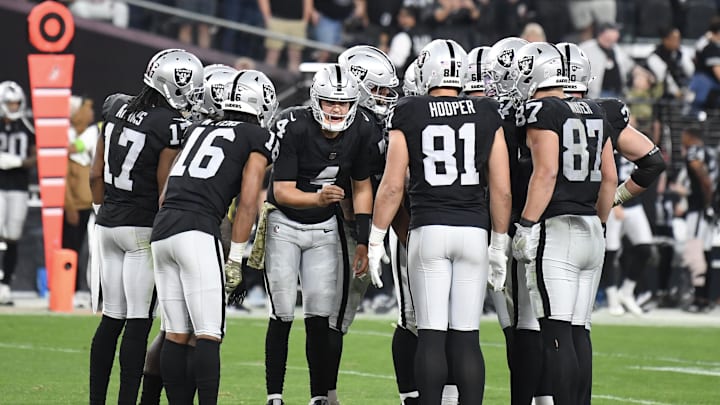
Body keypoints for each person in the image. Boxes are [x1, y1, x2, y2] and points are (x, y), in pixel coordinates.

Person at [368, 38, 512, 405]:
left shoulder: (409, 111)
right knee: (466, 337)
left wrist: (375, 237)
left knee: (431, 334)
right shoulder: (486, 111)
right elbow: (502, 189)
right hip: (473, 231)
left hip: (428, 229)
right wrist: (498, 243)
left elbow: (391, 185)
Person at [150, 69, 278, 405]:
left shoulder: (198, 128)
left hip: (163, 229)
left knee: (176, 333)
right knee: (208, 333)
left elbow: (165, 194)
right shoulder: (256, 136)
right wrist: (236, 257)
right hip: (197, 231)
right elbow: (249, 200)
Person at [88, 48, 203, 405]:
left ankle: (96, 401)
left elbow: (95, 173)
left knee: (111, 320)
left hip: (106, 223)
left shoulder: (115, 107)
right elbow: (164, 189)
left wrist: (102, 210)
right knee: (137, 326)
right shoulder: (170, 125)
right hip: (141, 230)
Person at [511, 41, 617, 405]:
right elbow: (609, 179)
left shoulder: (542, 109)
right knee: (579, 332)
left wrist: (525, 225)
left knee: (555, 332)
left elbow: (546, 173)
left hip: (556, 230)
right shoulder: (596, 110)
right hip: (591, 228)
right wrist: (600, 224)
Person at [262, 64, 374, 405]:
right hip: (285, 222)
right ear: (315, 100)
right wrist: (318, 198)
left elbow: (362, 186)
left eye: (343, 103)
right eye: (329, 102)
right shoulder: (294, 124)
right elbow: (281, 191)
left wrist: (365, 241)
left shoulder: (363, 128)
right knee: (282, 313)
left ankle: (318, 397)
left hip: (325, 227)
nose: (337, 109)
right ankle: (275, 396)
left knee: (319, 317)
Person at [138, 63, 240, 405]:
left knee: (173, 329)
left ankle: (152, 398)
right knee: (199, 331)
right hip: (204, 226)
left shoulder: (193, 128)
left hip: (170, 225)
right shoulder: (227, 131)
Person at [328, 45, 397, 405]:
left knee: (340, 314)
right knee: (336, 313)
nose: (385, 98)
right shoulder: (355, 125)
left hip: (360, 223)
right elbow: (348, 183)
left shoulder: (366, 123)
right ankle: (325, 394)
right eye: (381, 90)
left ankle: (324, 393)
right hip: (344, 225)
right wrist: (362, 233)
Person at [0, 81, 36, 306]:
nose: (14, 107)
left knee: (12, 235)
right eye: (9, 104)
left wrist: (19, 161)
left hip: (18, 187)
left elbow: (36, 155)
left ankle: (6, 285)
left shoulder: (26, 126)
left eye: (16, 104)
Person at [681, 125, 717, 313]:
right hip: (709, 210)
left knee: (695, 253)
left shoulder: (695, 150)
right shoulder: (710, 151)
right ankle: (704, 298)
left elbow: (700, 171)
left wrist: (707, 198)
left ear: (690, 137)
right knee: (705, 252)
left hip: (699, 208)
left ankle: (698, 298)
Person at [65, 95, 97, 307]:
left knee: (95, 250)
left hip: (95, 200)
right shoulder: (77, 133)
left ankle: (93, 292)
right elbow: (74, 147)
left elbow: (73, 148)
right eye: (86, 109)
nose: (91, 113)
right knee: (75, 247)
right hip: (76, 200)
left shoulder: (95, 131)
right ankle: (73, 290)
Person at [258, 0, 313, 71]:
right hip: (277, 20)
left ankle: (293, 80)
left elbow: (308, 2)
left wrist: (305, 21)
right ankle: (267, 80)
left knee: (295, 57)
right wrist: (267, 18)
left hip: (297, 22)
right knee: (272, 55)